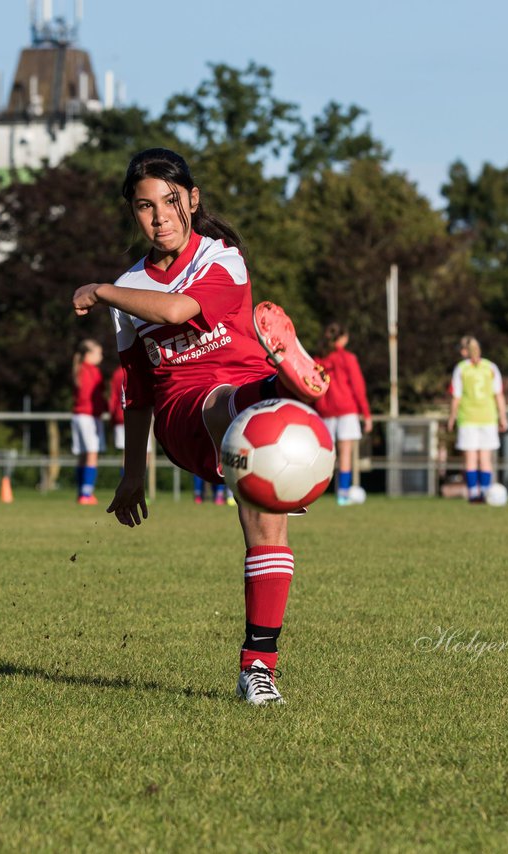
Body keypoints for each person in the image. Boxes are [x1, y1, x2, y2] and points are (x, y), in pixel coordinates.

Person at [72, 147, 329, 705]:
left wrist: (100, 290)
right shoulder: (130, 287)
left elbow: (174, 311)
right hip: (187, 414)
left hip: (246, 410)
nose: (159, 216)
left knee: (267, 525)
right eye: (145, 207)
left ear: (191, 199)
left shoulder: (222, 260)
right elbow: (137, 394)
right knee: (226, 404)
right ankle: (284, 389)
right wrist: (132, 474)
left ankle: (257, 670)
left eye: (169, 201)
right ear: (132, 213)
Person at [315, 322, 372, 506]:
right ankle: (343, 494)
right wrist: (366, 413)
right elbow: (358, 387)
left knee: (325, 453)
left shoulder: (318, 359)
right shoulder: (348, 358)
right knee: (345, 452)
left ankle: (313, 490)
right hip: (347, 409)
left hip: (324, 409)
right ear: (343, 338)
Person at [446, 336, 507, 503]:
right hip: (488, 417)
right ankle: (487, 492)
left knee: (471, 458)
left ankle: (474, 494)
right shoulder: (491, 367)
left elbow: (456, 397)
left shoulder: (461, 369)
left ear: (465, 351)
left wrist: (452, 417)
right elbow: (498, 395)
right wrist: (503, 417)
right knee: (485, 458)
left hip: (468, 418)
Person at [71, 339, 107, 505]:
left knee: (83, 455)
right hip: (88, 416)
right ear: (88, 355)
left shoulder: (80, 370)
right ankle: (87, 493)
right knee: (92, 454)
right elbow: (90, 395)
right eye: (98, 353)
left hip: (79, 415)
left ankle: (81, 493)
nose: (101, 356)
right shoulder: (90, 371)